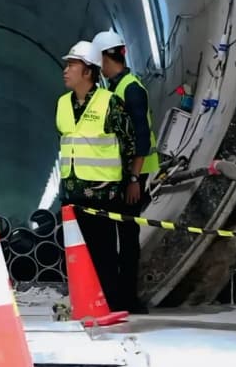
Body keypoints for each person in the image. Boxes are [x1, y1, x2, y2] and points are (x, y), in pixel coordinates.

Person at [56, 39, 138, 313]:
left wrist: (129, 181)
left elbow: (128, 144)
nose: (66, 70)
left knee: (104, 253)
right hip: (73, 193)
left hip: (103, 193)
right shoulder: (62, 104)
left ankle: (111, 304)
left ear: (88, 71)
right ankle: (86, 302)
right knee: (80, 254)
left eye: (72, 65)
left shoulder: (110, 103)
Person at [92, 29, 158, 313]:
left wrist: (134, 178)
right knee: (117, 234)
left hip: (135, 173)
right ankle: (116, 296)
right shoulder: (112, 88)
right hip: (121, 172)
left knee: (128, 236)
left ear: (109, 57)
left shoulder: (131, 88)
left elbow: (141, 137)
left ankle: (129, 299)